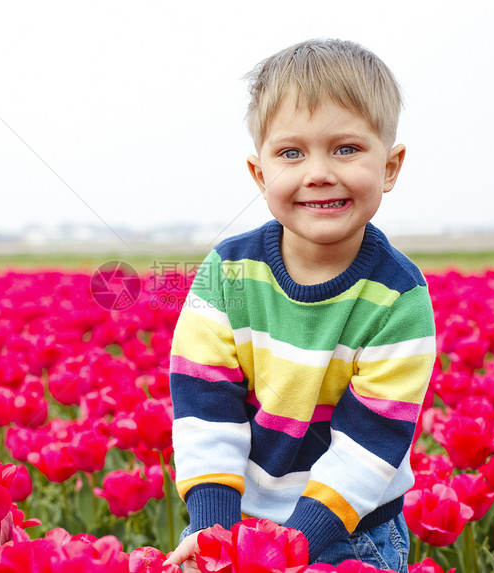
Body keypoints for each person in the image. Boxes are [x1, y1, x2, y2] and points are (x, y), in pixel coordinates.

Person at [163, 39, 436, 572]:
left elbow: (370, 445)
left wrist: (294, 546)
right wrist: (216, 531)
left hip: (354, 532)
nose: (318, 172)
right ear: (260, 174)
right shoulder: (228, 273)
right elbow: (204, 409)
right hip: (236, 527)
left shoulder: (398, 296)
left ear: (390, 166)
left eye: (346, 149)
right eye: (291, 152)